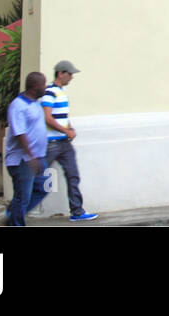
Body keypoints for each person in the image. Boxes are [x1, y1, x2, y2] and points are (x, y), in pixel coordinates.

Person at [40, 60, 98, 221]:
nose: (71, 77)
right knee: (36, 175)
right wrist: (66, 131)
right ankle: (20, 209)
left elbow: (62, 116)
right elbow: (47, 117)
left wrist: (69, 128)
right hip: (52, 143)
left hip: (64, 142)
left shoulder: (61, 91)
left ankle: (77, 211)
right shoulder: (50, 92)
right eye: (70, 74)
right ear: (61, 73)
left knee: (73, 175)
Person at [5, 72, 49, 226]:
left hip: (37, 157)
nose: (45, 87)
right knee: (23, 196)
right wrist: (31, 157)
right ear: (35, 86)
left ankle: (13, 213)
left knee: (44, 187)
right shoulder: (18, 106)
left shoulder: (35, 103)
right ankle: (15, 222)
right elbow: (20, 133)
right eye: (43, 84)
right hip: (23, 160)